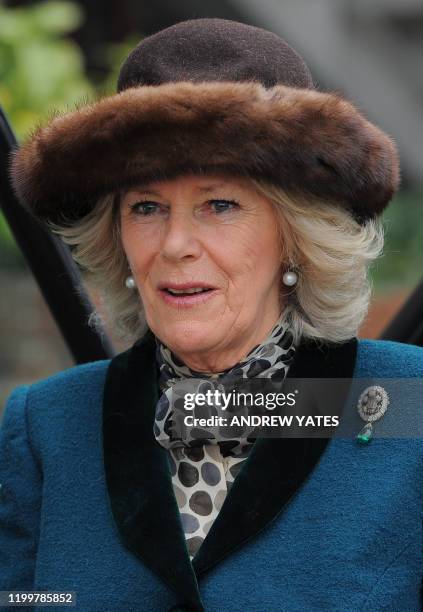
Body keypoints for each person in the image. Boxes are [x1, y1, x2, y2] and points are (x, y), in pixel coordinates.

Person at [1, 17, 422, 612]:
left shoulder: (407, 406)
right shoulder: (47, 425)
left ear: (295, 236)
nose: (175, 245)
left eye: (219, 205)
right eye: (146, 207)